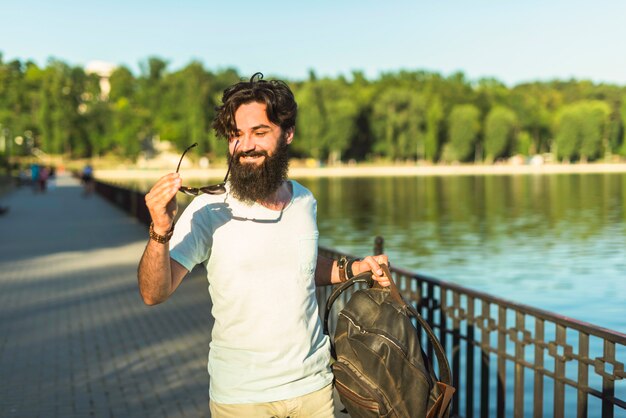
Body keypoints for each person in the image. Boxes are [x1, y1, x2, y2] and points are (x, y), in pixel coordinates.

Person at [137, 73, 391, 417]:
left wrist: (355, 268)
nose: (245, 145)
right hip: (243, 397)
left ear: (287, 134)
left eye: (259, 132)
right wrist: (160, 229)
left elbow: (297, 267)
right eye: (236, 135)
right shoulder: (207, 210)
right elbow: (154, 293)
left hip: (314, 388)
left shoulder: (304, 200)